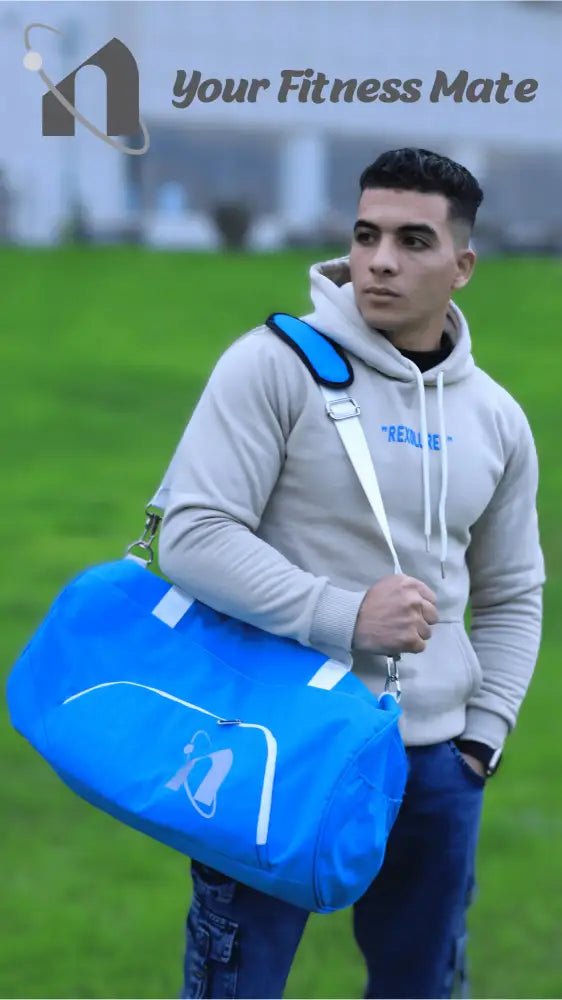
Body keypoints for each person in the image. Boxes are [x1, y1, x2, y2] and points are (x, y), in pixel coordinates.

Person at [158, 147, 546, 999]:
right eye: (367, 234)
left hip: (438, 764)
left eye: (413, 241)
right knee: (236, 986)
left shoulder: (496, 420)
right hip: (271, 747)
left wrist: (483, 735)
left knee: (420, 987)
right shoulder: (273, 364)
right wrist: (342, 614)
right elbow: (191, 533)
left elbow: (516, 591)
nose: (378, 260)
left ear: (463, 266)